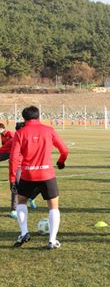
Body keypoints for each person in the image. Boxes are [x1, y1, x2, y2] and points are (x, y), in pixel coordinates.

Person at [10, 106, 69, 250]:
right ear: (38, 116)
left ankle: (24, 233)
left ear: (24, 118)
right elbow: (64, 150)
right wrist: (61, 161)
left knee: (21, 202)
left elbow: (13, 158)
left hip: (27, 174)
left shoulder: (20, 133)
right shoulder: (49, 130)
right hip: (46, 174)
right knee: (53, 206)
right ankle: (52, 240)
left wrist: (12, 178)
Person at [0, 122, 38, 218]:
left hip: (30, 165)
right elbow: (2, 150)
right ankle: (14, 210)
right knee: (15, 187)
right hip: (18, 167)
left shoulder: (30, 139)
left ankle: (31, 197)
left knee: (41, 183)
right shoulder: (13, 140)